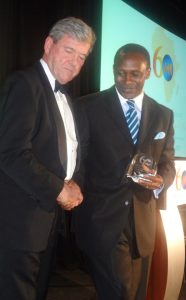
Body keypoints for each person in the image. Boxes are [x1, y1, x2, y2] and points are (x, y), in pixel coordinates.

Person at [0, 17, 96, 300]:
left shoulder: (69, 99)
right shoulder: (24, 84)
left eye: (81, 57)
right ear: (48, 44)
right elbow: (11, 154)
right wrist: (58, 189)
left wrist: (75, 184)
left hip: (47, 224)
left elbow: (74, 152)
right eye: (69, 51)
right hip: (19, 225)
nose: (75, 63)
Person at [73, 43, 176, 300]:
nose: (127, 80)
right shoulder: (87, 107)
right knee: (121, 292)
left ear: (148, 72)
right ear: (113, 70)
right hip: (102, 218)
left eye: (135, 74)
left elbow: (168, 162)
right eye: (121, 73)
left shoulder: (164, 115)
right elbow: (78, 159)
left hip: (143, 222)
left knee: (137, 294)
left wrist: (162, 180)